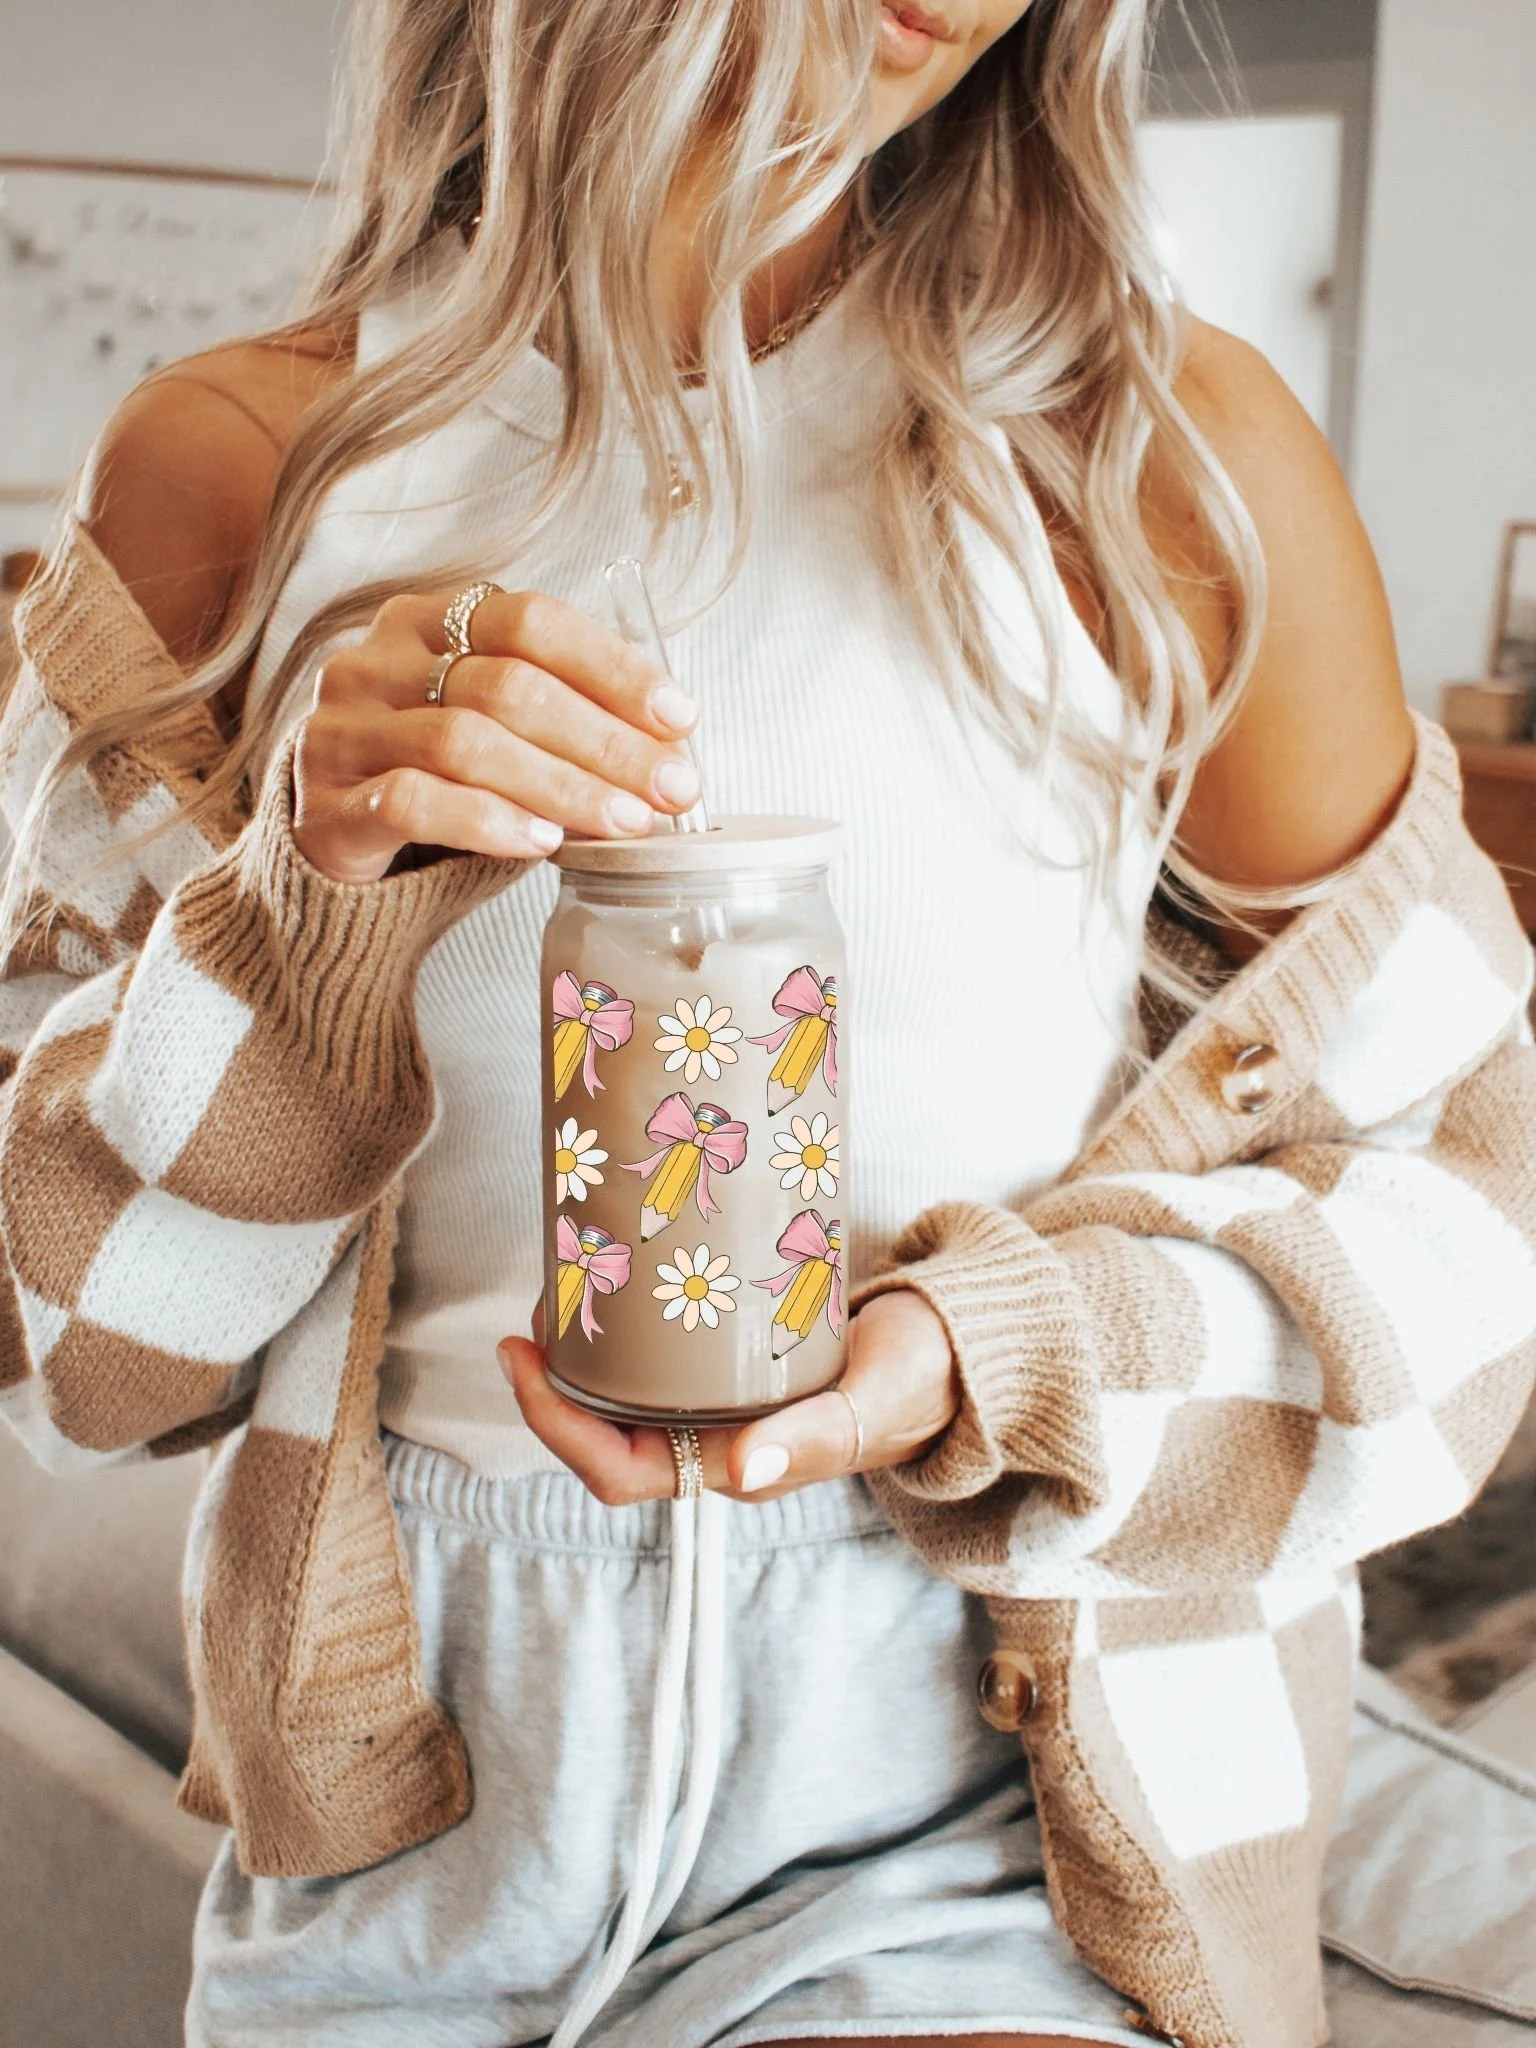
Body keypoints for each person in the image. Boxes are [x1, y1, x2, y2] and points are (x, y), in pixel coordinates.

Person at [2, 3, 1533, 2046]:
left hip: (980, 1828)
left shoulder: (1154, 456)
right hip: (405, 1846)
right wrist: (303, 909)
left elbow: (1471, 1226)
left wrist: (997, 1357)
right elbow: (73, 1369)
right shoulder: (240, 465)